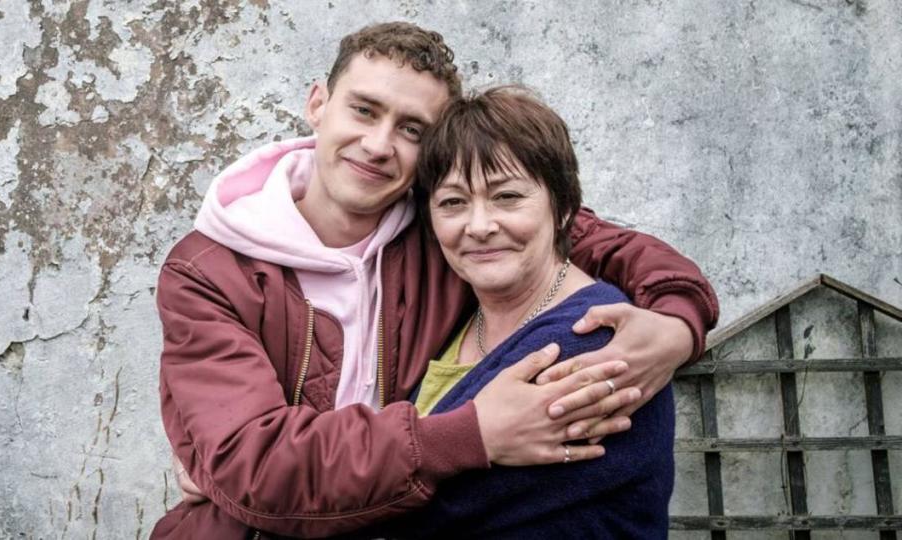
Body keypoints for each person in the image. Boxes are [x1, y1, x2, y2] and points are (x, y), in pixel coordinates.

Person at [153, 22, 718, 538]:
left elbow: (586, 237)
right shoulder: (209, 270)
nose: (378, 145)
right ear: (318, 103)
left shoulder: (440, 227)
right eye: (365, 110)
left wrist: (677, 322)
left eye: (412, 128)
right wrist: (471, 435)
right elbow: (255, 466)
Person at [364, 86, 675, 539]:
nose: (480, 225)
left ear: (565, 207)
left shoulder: (591, 338)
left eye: (507, 197)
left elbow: (405, 512)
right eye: (452, 202)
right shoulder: (456, 321)